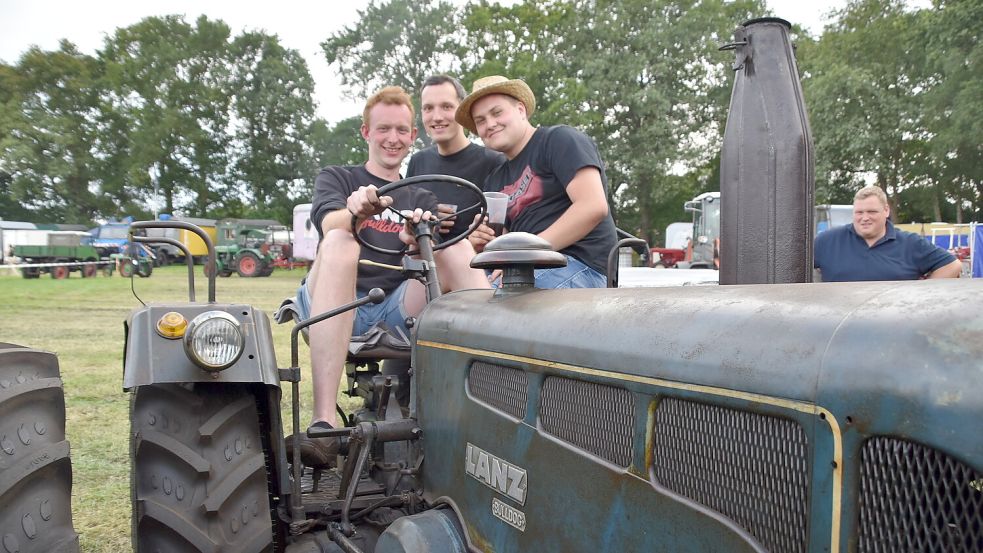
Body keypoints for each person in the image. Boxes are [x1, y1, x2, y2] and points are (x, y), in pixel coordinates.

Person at [289, 86, 489, 466]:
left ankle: (494, 394)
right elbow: (328, 222)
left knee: (455, 249)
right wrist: (355, 214)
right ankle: (323, 424)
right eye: (383, 129)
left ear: (413, 137)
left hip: (393, 308)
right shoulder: (338, 178)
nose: (392, 139)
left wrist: (418, 240)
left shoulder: (420, 196)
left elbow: (429, 260)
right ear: (366, 132)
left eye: (401, 131)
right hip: (333, 303)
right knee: (340, 243)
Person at [455, 75, 617, 289]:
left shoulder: (559, 140)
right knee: (454, 295)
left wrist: (525, 256)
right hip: (523, 270)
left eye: (497, 113)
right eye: (480, 121)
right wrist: (482, 242)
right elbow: (503, 240)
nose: (490, 124)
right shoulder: (495, 179)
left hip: (581, 266)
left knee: (491, 305)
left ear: (521, 110)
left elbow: (593, 206)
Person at [407, 75, 505, 239]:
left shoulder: (493, 162)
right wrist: (427, 215)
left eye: (446, 107)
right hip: (421, 259)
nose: (437, 117)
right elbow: (402, 216)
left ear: (462, 110)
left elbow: (500, 230)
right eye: (428, 108)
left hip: (473, 261)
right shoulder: (418, 161)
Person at [814, 185, 962, 282]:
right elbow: (791, 265)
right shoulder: (827, 241)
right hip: (838, 327)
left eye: (871, 212)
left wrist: (921, 295)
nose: (865, 218)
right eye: (859, 212)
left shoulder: (910, 243)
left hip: (895, 327)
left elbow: (952, 265)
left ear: (886, 211)